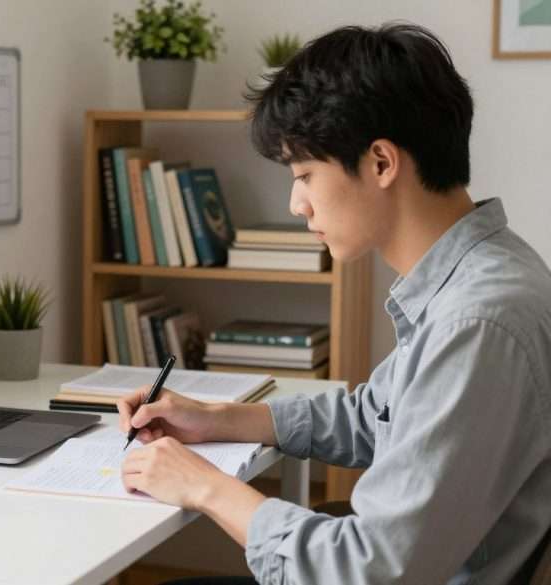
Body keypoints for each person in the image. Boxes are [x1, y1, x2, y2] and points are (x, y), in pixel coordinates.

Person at [117, 23, 551, 585]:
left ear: (380, 163)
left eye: (304, 175)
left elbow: (370, 569)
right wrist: (217, 420)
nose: (296, 203)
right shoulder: (478, 276)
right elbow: (379, 416)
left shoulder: (477, 322)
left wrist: (204, 485)